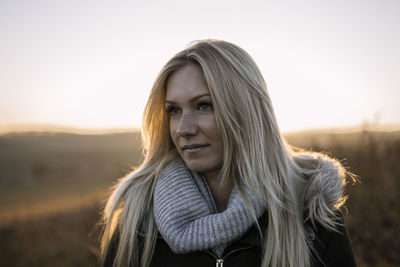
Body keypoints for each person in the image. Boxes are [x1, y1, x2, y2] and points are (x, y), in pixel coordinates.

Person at [100, 39, 356, 267]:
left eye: (204, 105)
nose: (183, 129)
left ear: (247, 112)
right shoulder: (139, 218)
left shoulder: (311, 213)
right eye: (174, 111)